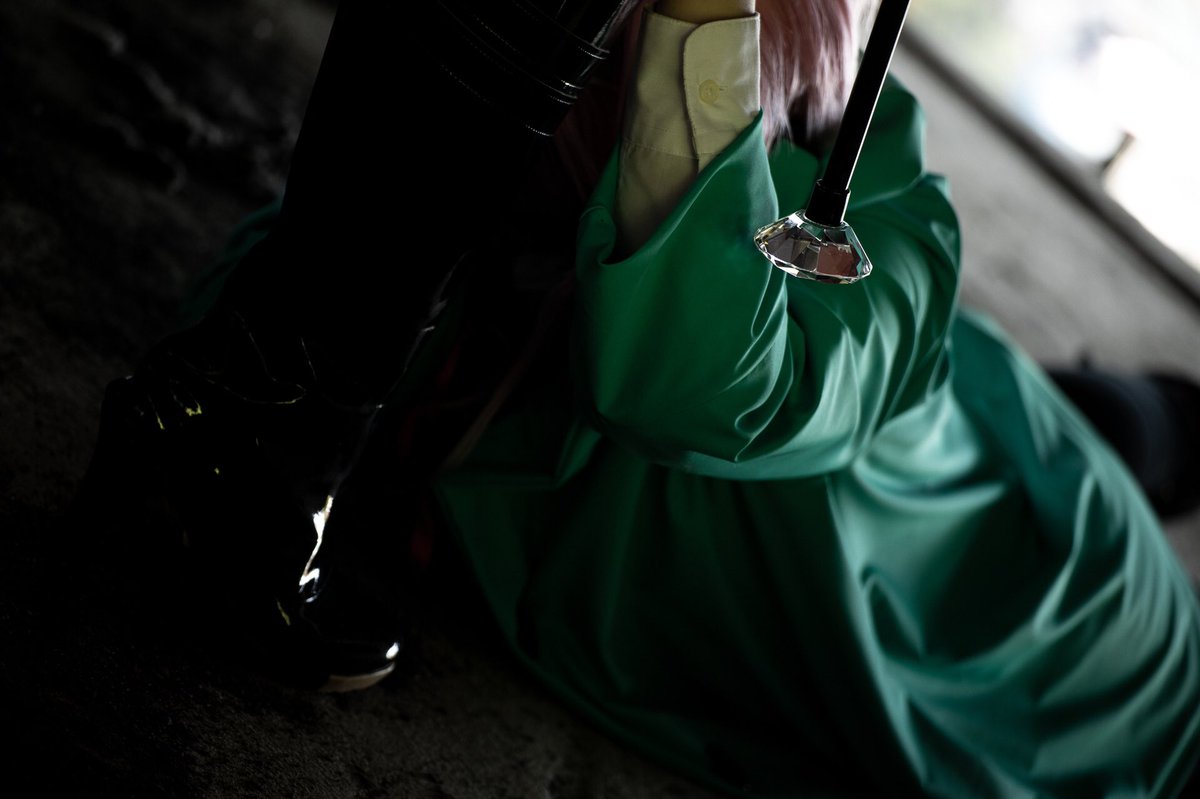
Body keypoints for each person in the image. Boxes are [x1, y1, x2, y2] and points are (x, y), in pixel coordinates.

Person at [84, 0, 1200, 795]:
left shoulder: (887, 226)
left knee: (1100, 429)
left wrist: (698, 20)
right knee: (1054, 407)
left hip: (1086, 643)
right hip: (953, 430)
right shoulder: (474, 231)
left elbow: (711, 391)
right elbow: (258, 314)